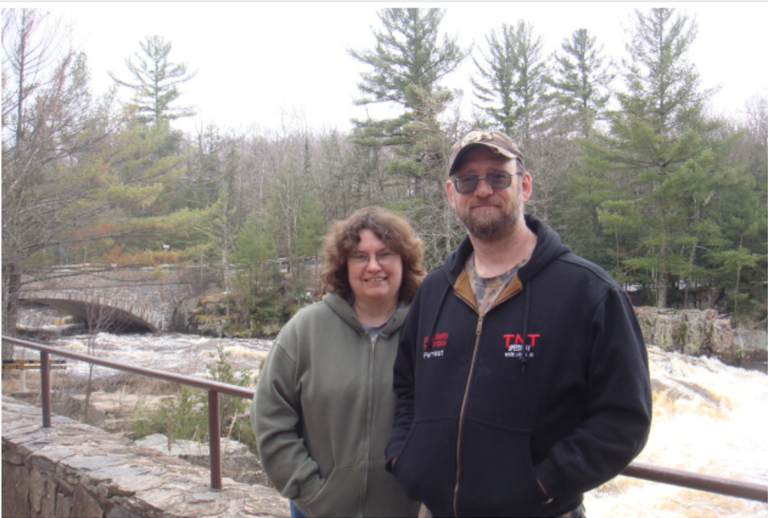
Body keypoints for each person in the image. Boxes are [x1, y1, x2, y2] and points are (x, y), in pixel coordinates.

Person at [385, 130, 652, 518]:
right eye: (467, 180)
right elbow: (407, 388)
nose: (482, 190)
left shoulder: (589, 292)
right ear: (450, 193)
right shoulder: (434, 291)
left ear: (524, 185)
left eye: (498, 176)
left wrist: (542, 484)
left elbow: (625, 418)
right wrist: (404, 458)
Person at [252, 206, 425, 518]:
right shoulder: (305, 329)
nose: (373, 266)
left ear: (404, 261)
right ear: (344, 265)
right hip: (317, 510)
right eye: (360, 256)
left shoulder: (429, 329)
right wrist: (310, 491)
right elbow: (270, 415)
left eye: (385, 254)